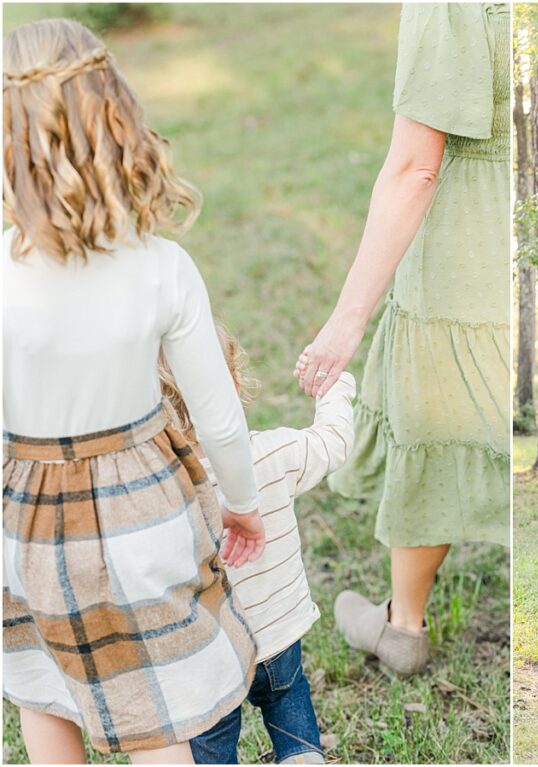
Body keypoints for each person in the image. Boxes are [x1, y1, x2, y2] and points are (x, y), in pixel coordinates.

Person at [3, 19, 265, 762]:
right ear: (115, 115)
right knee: (158, 716)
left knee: (45, 694)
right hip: (146, 520)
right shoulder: (161, 266)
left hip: (27, 532)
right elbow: (217, 415)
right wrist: (241, 505)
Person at [294, 3, 510, 677]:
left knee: (436, 422)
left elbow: (416, 166)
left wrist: (346, 319)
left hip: (466, 248)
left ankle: (403, 626)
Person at [156, 323, 355, 764]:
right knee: (289, 709)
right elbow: (333, 442)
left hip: (206, 657)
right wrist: (335, 385)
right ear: (236, 382)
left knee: (211, 746)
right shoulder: (272, 454)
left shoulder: (158, 494)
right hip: (280, 637)